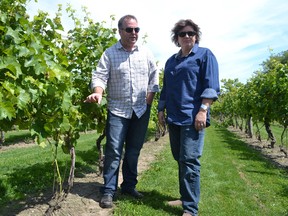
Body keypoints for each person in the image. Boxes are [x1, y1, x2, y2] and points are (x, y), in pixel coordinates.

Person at [85, 14, 159, 208]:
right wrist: (98, 93)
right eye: (129, 29)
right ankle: (109, 191)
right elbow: (99, 76)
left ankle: (128, 186)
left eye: (136, 29)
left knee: (134, 151)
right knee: (114, 151)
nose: (134, 33)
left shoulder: (146, 53)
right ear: (120, 31)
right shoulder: (110, 54)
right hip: (118, 110)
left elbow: (154, 77)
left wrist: (149, 101)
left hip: (141, 110)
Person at [157, 19, 220, 216]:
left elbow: (211, 86)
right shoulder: (171, 61)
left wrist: (203, 110)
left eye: (191, 33)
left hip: (193, 117)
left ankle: (191, 209)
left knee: (190, 161)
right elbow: (166, 88)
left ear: (196, 36)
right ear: (177, 38)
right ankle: (186, 198)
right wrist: (161, 109)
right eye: (183, 34)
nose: (187, 37)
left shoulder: (205, 55)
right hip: (174, 117)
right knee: (180, 159)